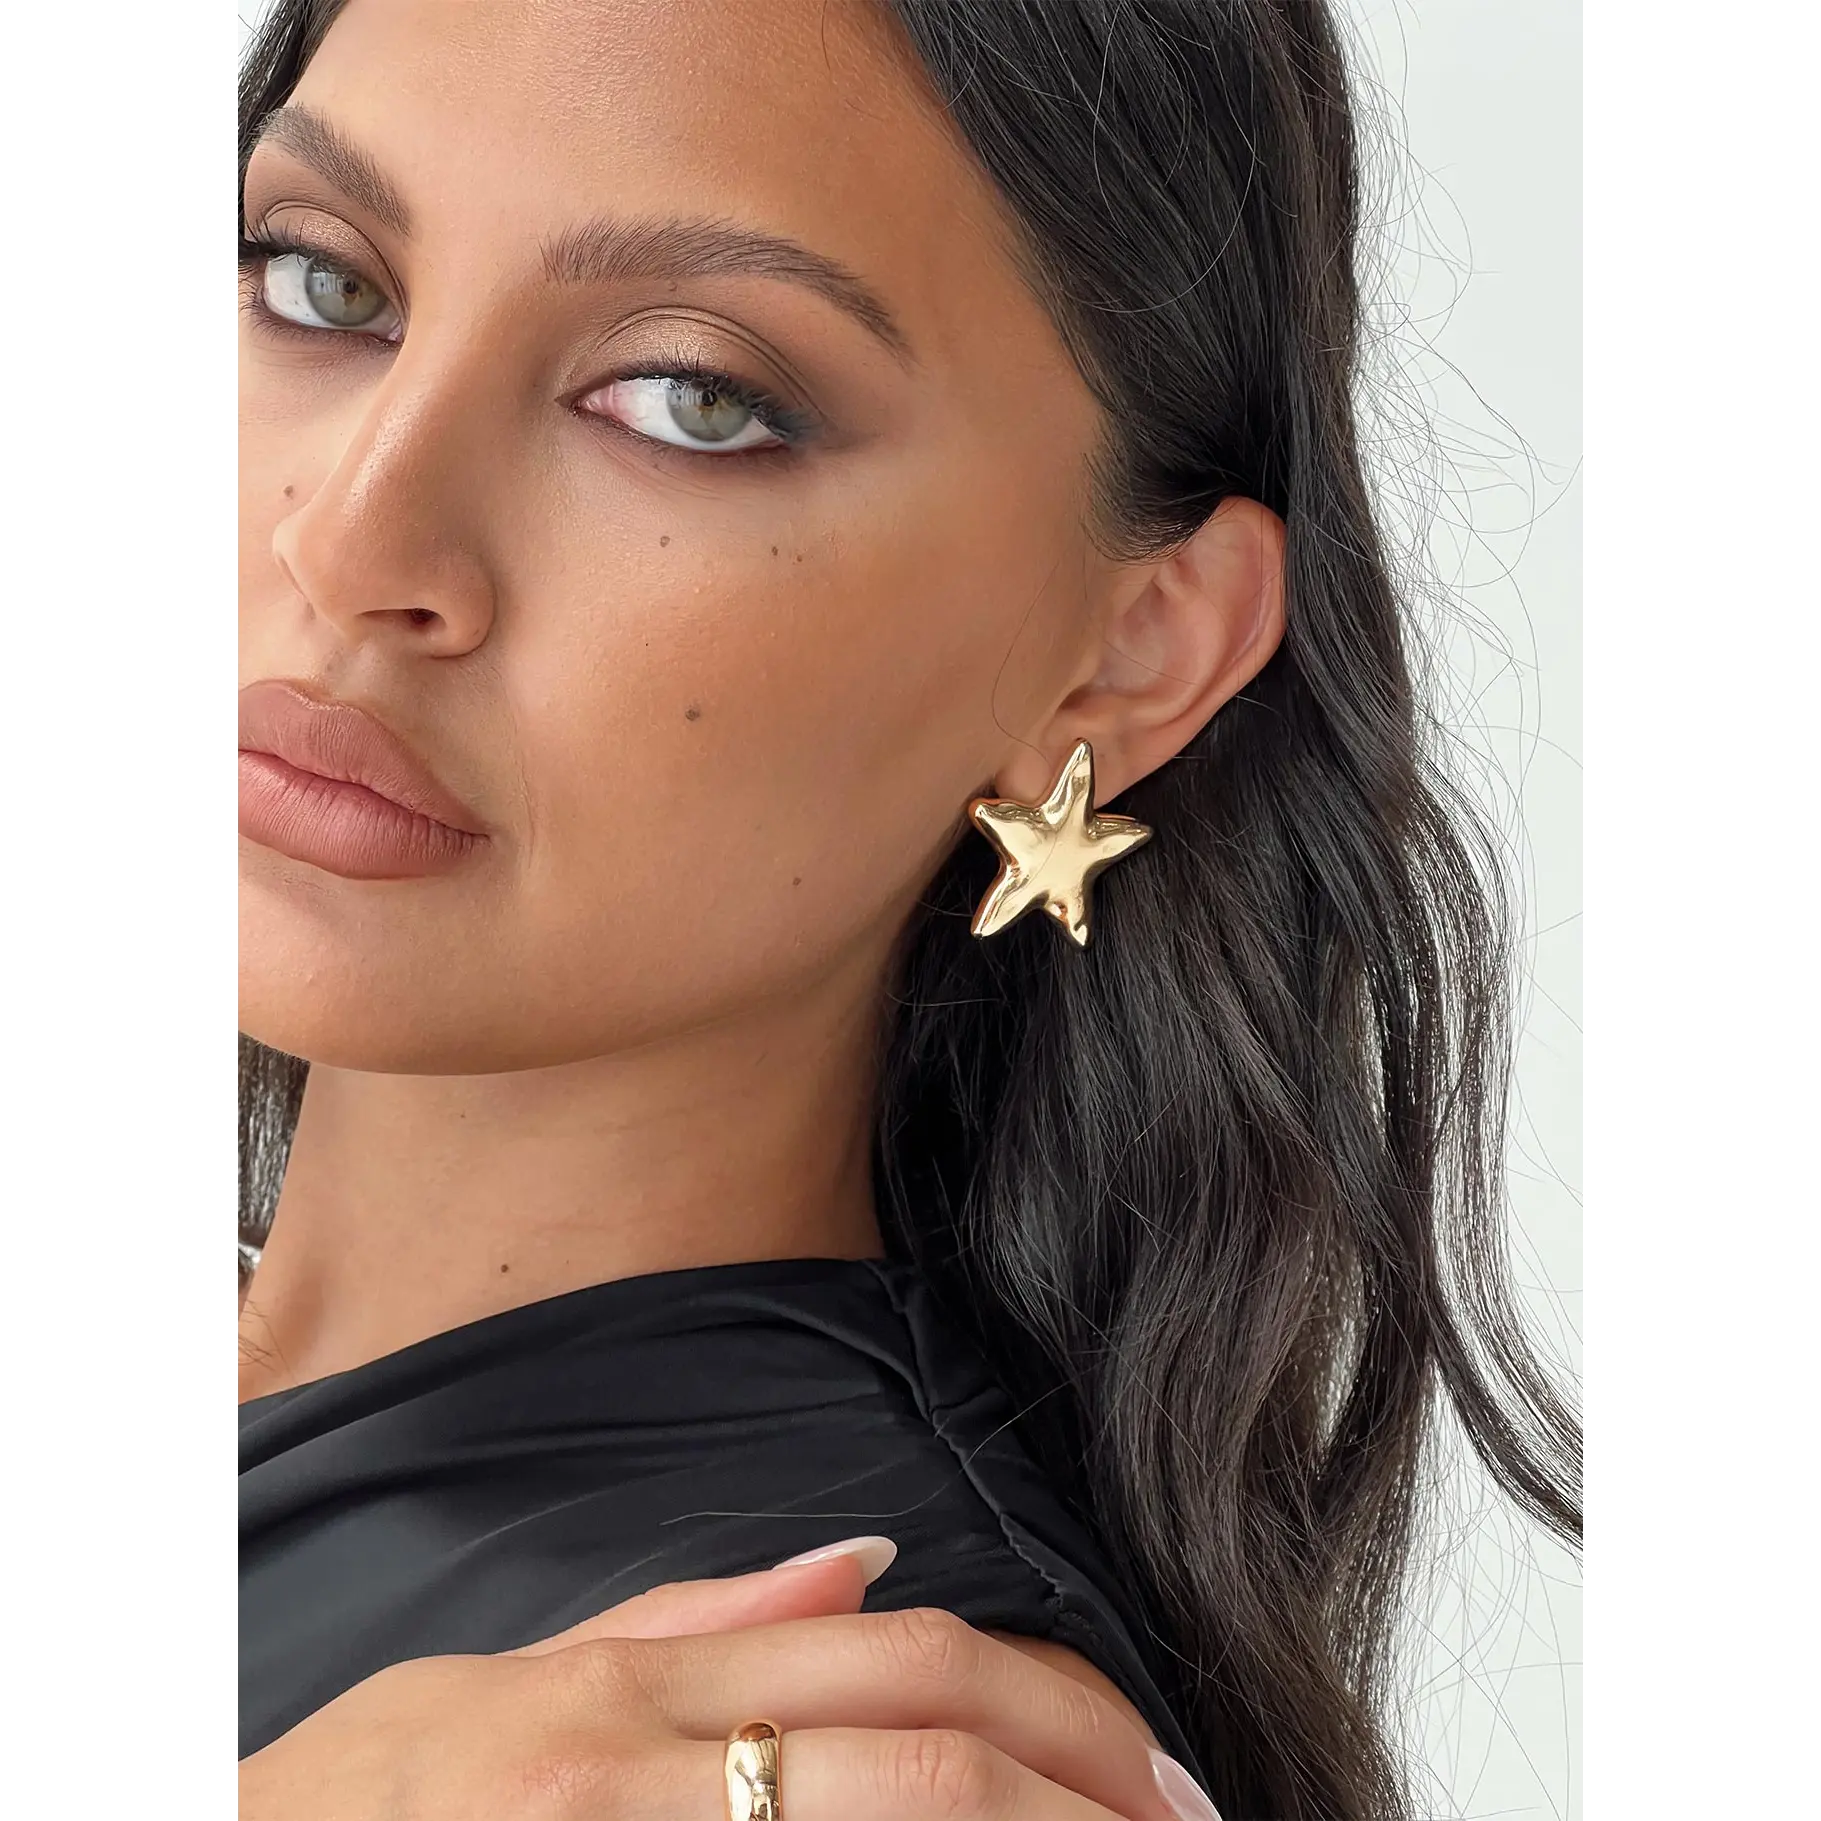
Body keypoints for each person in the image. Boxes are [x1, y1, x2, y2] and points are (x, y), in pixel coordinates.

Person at [231, 2, 1583, 1817]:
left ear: (1132, 653)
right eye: (323, 285)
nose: (351, 543)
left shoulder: (842, 1751)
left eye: (694, 398)